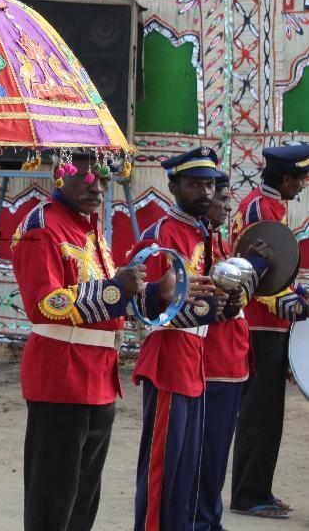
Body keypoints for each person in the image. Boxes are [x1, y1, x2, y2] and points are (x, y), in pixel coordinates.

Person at [10, 150, 177, 531]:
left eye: (103, 178)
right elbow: (45, 304)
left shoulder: (90, 226)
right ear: (59, 174)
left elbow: (109, 303)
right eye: (85, 176)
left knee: (84, 502)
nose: (97, 186)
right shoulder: (42, 226)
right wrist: (116, 290)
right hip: (60, 379)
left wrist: (154, 293)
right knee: (53, 502)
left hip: (100, 380)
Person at [130, 147, 238, 531]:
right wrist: (167, 292)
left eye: (210, 184)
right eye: (194, 185)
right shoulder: (159, 234)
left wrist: (226, 304)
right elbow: (138, 303)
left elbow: (207, 298)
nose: (205, 192)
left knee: (187, 467)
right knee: (164, 465)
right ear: (173, 186)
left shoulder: (203, 233)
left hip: (197, 356)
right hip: (170, 355)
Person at [229, 144, 309, 520]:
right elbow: (257, 279)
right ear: (286, 178)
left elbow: (278, 273)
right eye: (302, 178)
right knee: (260, 412)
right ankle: (249, 494)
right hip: (261, 326)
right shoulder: (262, 210)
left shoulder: (267, 205)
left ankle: (258, 488)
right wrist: (294, 303)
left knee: (266, 412)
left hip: (268, 325)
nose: (304, 184)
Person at [190, 172, 267, 530]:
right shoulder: (201, 247)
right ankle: (204, 521)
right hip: (213, 364)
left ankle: (210, 519)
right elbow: (212, 303)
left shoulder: (218, 245)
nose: (224, 207)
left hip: (231, 363)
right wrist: (260, 266)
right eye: (222, 200)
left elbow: (232, 302)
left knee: (217, 454)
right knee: (207, 453)